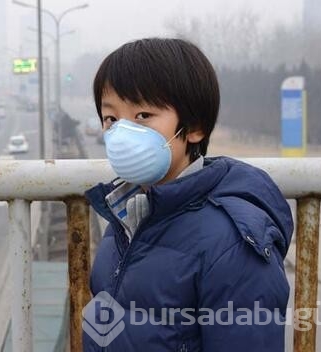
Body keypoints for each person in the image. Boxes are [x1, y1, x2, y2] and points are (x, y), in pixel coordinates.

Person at [83, 38, 293, 351]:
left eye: (143, 116)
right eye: (111, 119)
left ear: (194, 127)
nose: (121, 134)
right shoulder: (126, 217)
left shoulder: (231, 245)